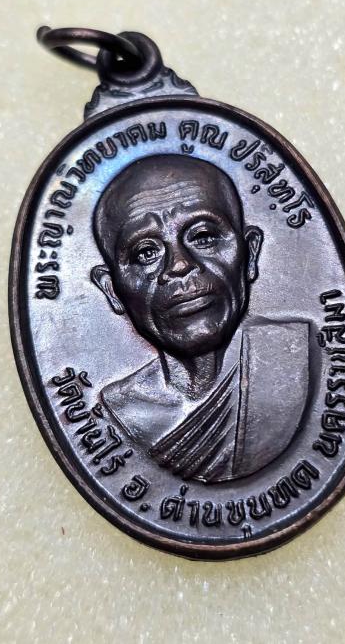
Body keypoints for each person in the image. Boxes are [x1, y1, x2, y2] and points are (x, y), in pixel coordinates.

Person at [91, 154, 309, 483]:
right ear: (112, 290)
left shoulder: (297, 360)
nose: (179, 265)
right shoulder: (118, 409)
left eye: (203, 236)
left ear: (250, 254)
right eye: (146, 252)